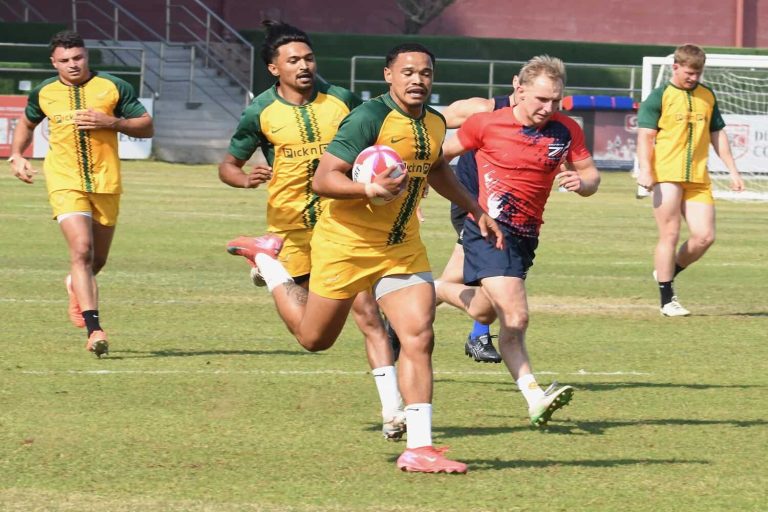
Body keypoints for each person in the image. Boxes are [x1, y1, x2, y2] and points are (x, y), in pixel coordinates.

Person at [227, 42, 503, 474]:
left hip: (401, 247)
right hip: (346, 246)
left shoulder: (432, 121)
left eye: (425, 73)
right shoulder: (368, 118)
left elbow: (435, 168)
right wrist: (368, 189)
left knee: (418, 335)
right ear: (388, 75)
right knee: (314, 339)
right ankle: (268, 262)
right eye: (407, 72)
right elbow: (324, 179)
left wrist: (475, 208)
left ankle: (419, 447)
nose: (417, 80)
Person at [219, 20, 407, 440]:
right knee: (311, 334)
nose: (304, 66)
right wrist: (244, 178)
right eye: (293, 61)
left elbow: (376, 150)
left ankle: (393, 411)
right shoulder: (260, 111)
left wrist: (394, 186)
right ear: (274, 68)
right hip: (291, 230)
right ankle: (268, 262)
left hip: (342, 225)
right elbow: (228, 165)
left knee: (368, 314)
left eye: (308, 58)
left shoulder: (342, 100)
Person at [440, 55, 601, 427]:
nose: (548, 107)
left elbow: (591, 175)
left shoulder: (566, 130)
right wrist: (426, 191)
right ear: (520, 90)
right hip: (487, 229)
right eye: (541, 99)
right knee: (516, 317)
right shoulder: (485, 123)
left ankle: (425, 289)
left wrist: (583, 183)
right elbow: (436, 157)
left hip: (526, 237)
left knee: (484, 312)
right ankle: (535, 397)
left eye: (556, 100)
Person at [8, 30, 154, 357]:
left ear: (86, 56)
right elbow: (27, 123)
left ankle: (74, 284)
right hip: (64, 180)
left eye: (78, 57)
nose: (72, 64)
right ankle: (94, 329)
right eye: (65, 60)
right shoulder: (44, 92)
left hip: (106, 181)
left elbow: (146, 126)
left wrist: (111, 122)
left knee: (96, 260)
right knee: (82, 251)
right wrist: (17, 154)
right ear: (54, 62)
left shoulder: (114, 87)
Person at [636, 43, 743, 317]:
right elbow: (645, 136)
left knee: (704, 237)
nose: (694, 78)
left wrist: (733, 170)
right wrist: (646, 170)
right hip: (666, 175)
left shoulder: (707, 96)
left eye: (698, 73)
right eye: (689, 73)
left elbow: (717, 134)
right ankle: (667, 299)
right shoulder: (658, 97)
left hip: (698, 177)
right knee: (670, 234)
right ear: (676, 67)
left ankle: (667, 271)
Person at [435, 77, 522, 364]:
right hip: (472, 204)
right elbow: (430, 121)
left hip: (508, 213)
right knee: (491, 270)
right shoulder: (482, 109)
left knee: (466, 276)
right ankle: (477, 334)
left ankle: (404, 316)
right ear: (517, 84)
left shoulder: (539, 121)